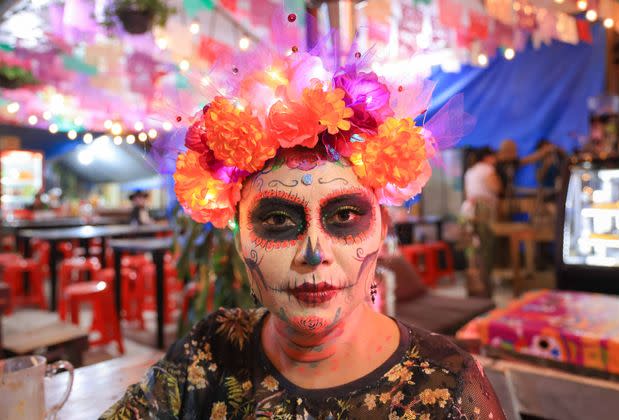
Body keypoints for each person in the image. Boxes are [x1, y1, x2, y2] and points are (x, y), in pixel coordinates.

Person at [101, 18, 505, 419]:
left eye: (344, 215)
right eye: (278, 221)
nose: (315, 253)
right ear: (239, 235)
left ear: (381, 228)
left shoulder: (445, 386)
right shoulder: (210, 350)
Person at [461, 147, 501, 297]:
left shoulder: (470, 171)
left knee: (472, 248)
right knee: (486, 246)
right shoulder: (487, 169)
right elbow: (496, 187)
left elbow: (467, 192)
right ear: (488, 157)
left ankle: (473, 284)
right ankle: (485, 283)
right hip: (483, 210)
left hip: (468, 209)